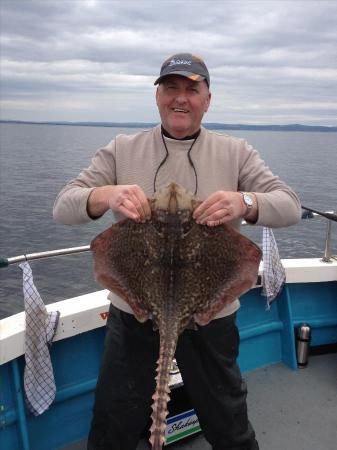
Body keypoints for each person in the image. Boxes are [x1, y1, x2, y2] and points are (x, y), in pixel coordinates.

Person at [53, 53, 301, 450]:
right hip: (133, 312)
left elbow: (289, 204)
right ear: (157, 95)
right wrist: (105, 194)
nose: (180, 98)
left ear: (208, 98)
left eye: (192, 89)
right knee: (113, 423)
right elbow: (63, 205)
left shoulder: (236, 152)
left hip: (211, 316)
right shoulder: (122, 149)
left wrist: (245, 202)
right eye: (171, 88)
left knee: (228, 422)